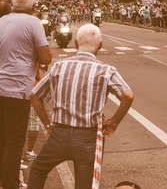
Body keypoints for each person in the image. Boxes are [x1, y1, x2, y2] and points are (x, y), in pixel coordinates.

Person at [28, 24, 134, 188]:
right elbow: (128, 95)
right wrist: (113, 122)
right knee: (84, 184)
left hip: (59, 133)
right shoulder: (106, 70)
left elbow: (34, 95)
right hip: (88, 136)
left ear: (76, 43)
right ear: (99, 46)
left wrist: (47, 124)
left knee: (38, 170)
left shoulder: (59, 66)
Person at [0, 0, 52, 189]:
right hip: (18, 88)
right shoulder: (33, 23)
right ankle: (11, 183)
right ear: (33, 7)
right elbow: (46, 57)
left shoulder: (2, 20)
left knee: (2, 138)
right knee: (14, 140)